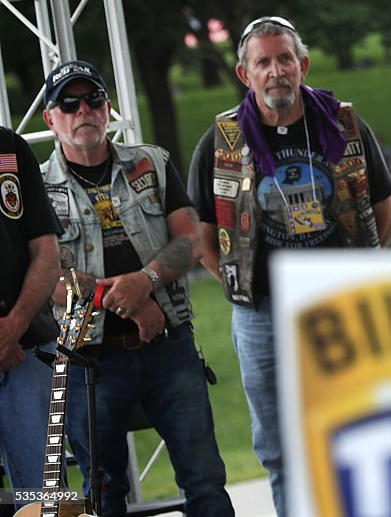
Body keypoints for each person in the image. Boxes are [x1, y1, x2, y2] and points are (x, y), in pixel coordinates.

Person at [189, 16, 391, 517]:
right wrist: (242, 286)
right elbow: (200, 239)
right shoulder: (222, 141)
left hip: (338, 309)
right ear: (246, 74)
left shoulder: (343, 125)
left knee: (356, 434)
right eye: (263, 62)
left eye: (285, 59)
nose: (276, 70)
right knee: (280, 450)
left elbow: (386, 217)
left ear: (302, 65)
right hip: (261, 316)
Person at [39, 60, 233, 517]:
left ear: (109, 109)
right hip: (91, 360)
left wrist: (145, 282)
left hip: (170, 349)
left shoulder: (153, 161)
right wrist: (126, 302)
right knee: (103, 494)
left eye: (93, 100)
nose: (83, 110)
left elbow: (188, 241)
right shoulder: (37, 188)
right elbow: (46, 277)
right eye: (68, 103)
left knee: (205, 480)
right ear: (50, 119)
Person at [0, 127, 61, 512]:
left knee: (47, 501)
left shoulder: (9, 148)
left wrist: (14, 325)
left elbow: (47, 252)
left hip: (28, 349)